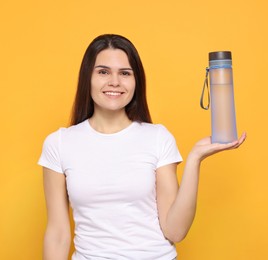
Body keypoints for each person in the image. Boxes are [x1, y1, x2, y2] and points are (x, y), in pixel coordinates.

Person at [38, 34, 246, 260]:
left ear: (137, 81)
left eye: (125, 73)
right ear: (87, 77)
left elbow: (175, 230)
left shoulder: (157, 137)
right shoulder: (59, 143)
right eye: (103, 72)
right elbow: (58, 234)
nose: (114, 82)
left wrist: (195, 158)